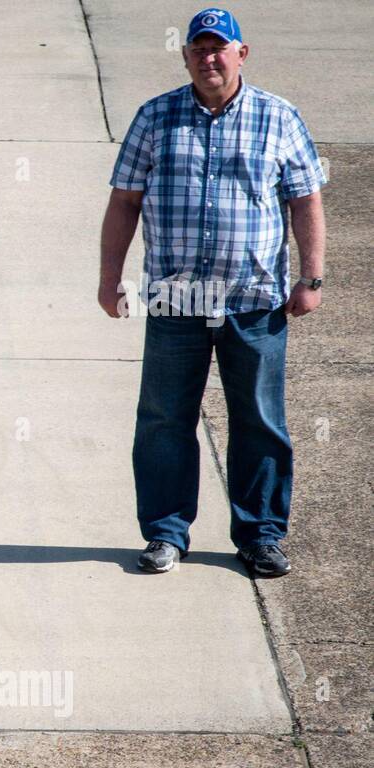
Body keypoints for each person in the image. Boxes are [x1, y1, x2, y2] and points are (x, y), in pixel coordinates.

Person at [97, 8, 326, 576]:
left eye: (220, 48)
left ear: (241, 54)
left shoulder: (279, 118)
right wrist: (110, 279)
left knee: (260, 421)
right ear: (186, 56)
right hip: (177, 302)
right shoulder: (155, 117)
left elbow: (305, 200)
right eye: (199, 48)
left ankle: (261, 537)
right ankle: (166, 535)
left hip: (255, 301)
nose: (209, 57)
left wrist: (311, 276)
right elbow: (124, 202)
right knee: (163, 421)